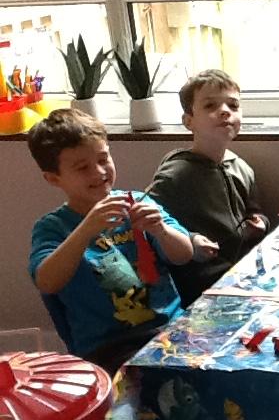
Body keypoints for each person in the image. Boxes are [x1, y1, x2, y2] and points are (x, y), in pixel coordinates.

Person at [28, 109, 193, 373]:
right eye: (82, 168)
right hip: (110, 348)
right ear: (54, 178)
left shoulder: (138, 201)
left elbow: (184, 254)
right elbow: (47, 281)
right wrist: (85, 230)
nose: (99, 172)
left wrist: (161, 230)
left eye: (103, 159)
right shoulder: (53, 228)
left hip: (172, 330)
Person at [149, 69, 270, 306]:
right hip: (200, 287)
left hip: (244, 277)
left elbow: (254, 211)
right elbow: (151, 225)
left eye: (233, 105)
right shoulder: (175, 175)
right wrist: (191, 240)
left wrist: (260, 223)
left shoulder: (242, 168)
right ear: (189, 121)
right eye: (210, 105)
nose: (225, 111)